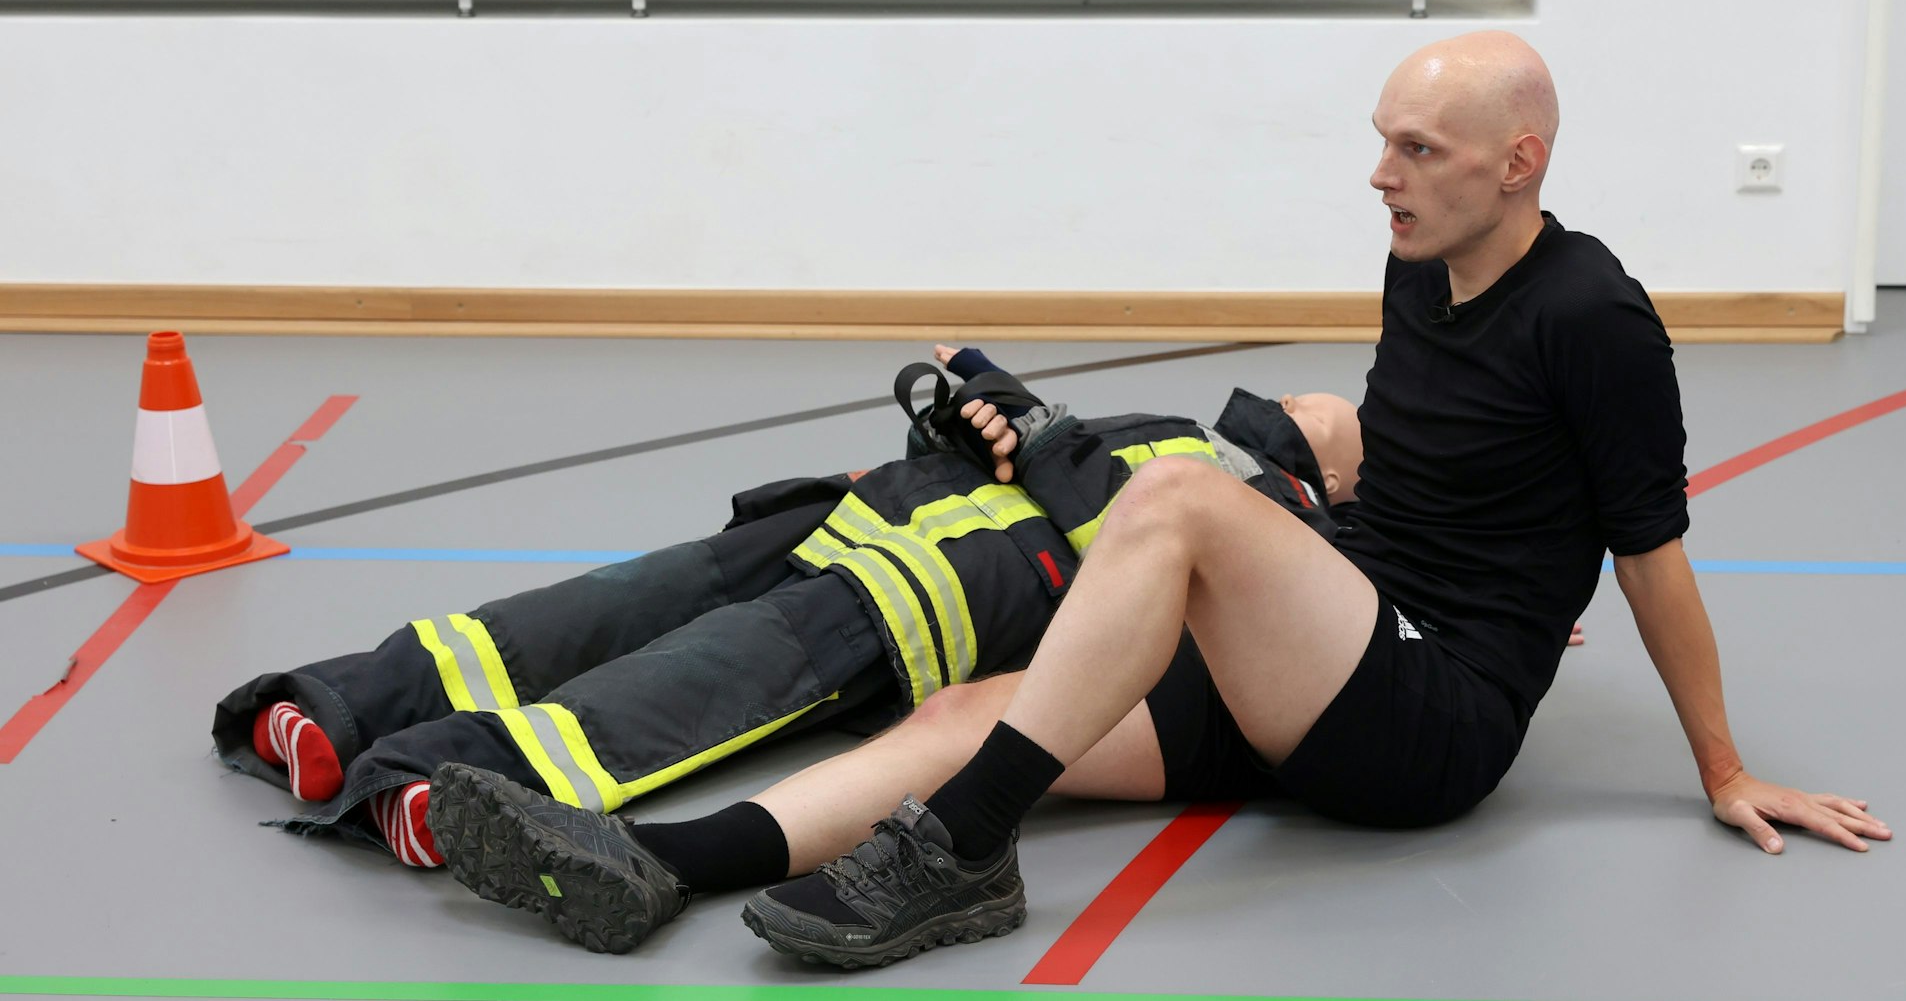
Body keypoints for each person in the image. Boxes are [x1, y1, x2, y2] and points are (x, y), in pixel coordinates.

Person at [421, 30, 1890, 967]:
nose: (1380, 173)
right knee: (966, 716)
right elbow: (1451, 457)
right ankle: (656, 864)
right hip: (1344, 639)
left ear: (1522, 165)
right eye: (1382, 141)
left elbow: (1653, 551)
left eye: (1418, 151)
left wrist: (1723, 767)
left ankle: (960, 858)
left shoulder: (1597, 314)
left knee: (1179, 504)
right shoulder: (1419, 258)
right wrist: (1339, 450)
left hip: (1432, 717)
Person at [213, 346, 1365, 890]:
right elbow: (1023, 461)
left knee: (674, 687)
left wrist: (1050, 453)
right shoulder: (1173, 422)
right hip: (851, 519)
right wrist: (979, 417)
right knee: (590, 608)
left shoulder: (1266, 524)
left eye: (1329, 414)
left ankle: (437, 786)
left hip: (911, 602)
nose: (1316, 398)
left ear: (1325, 478)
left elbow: (1134, 553)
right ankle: (350, 705)